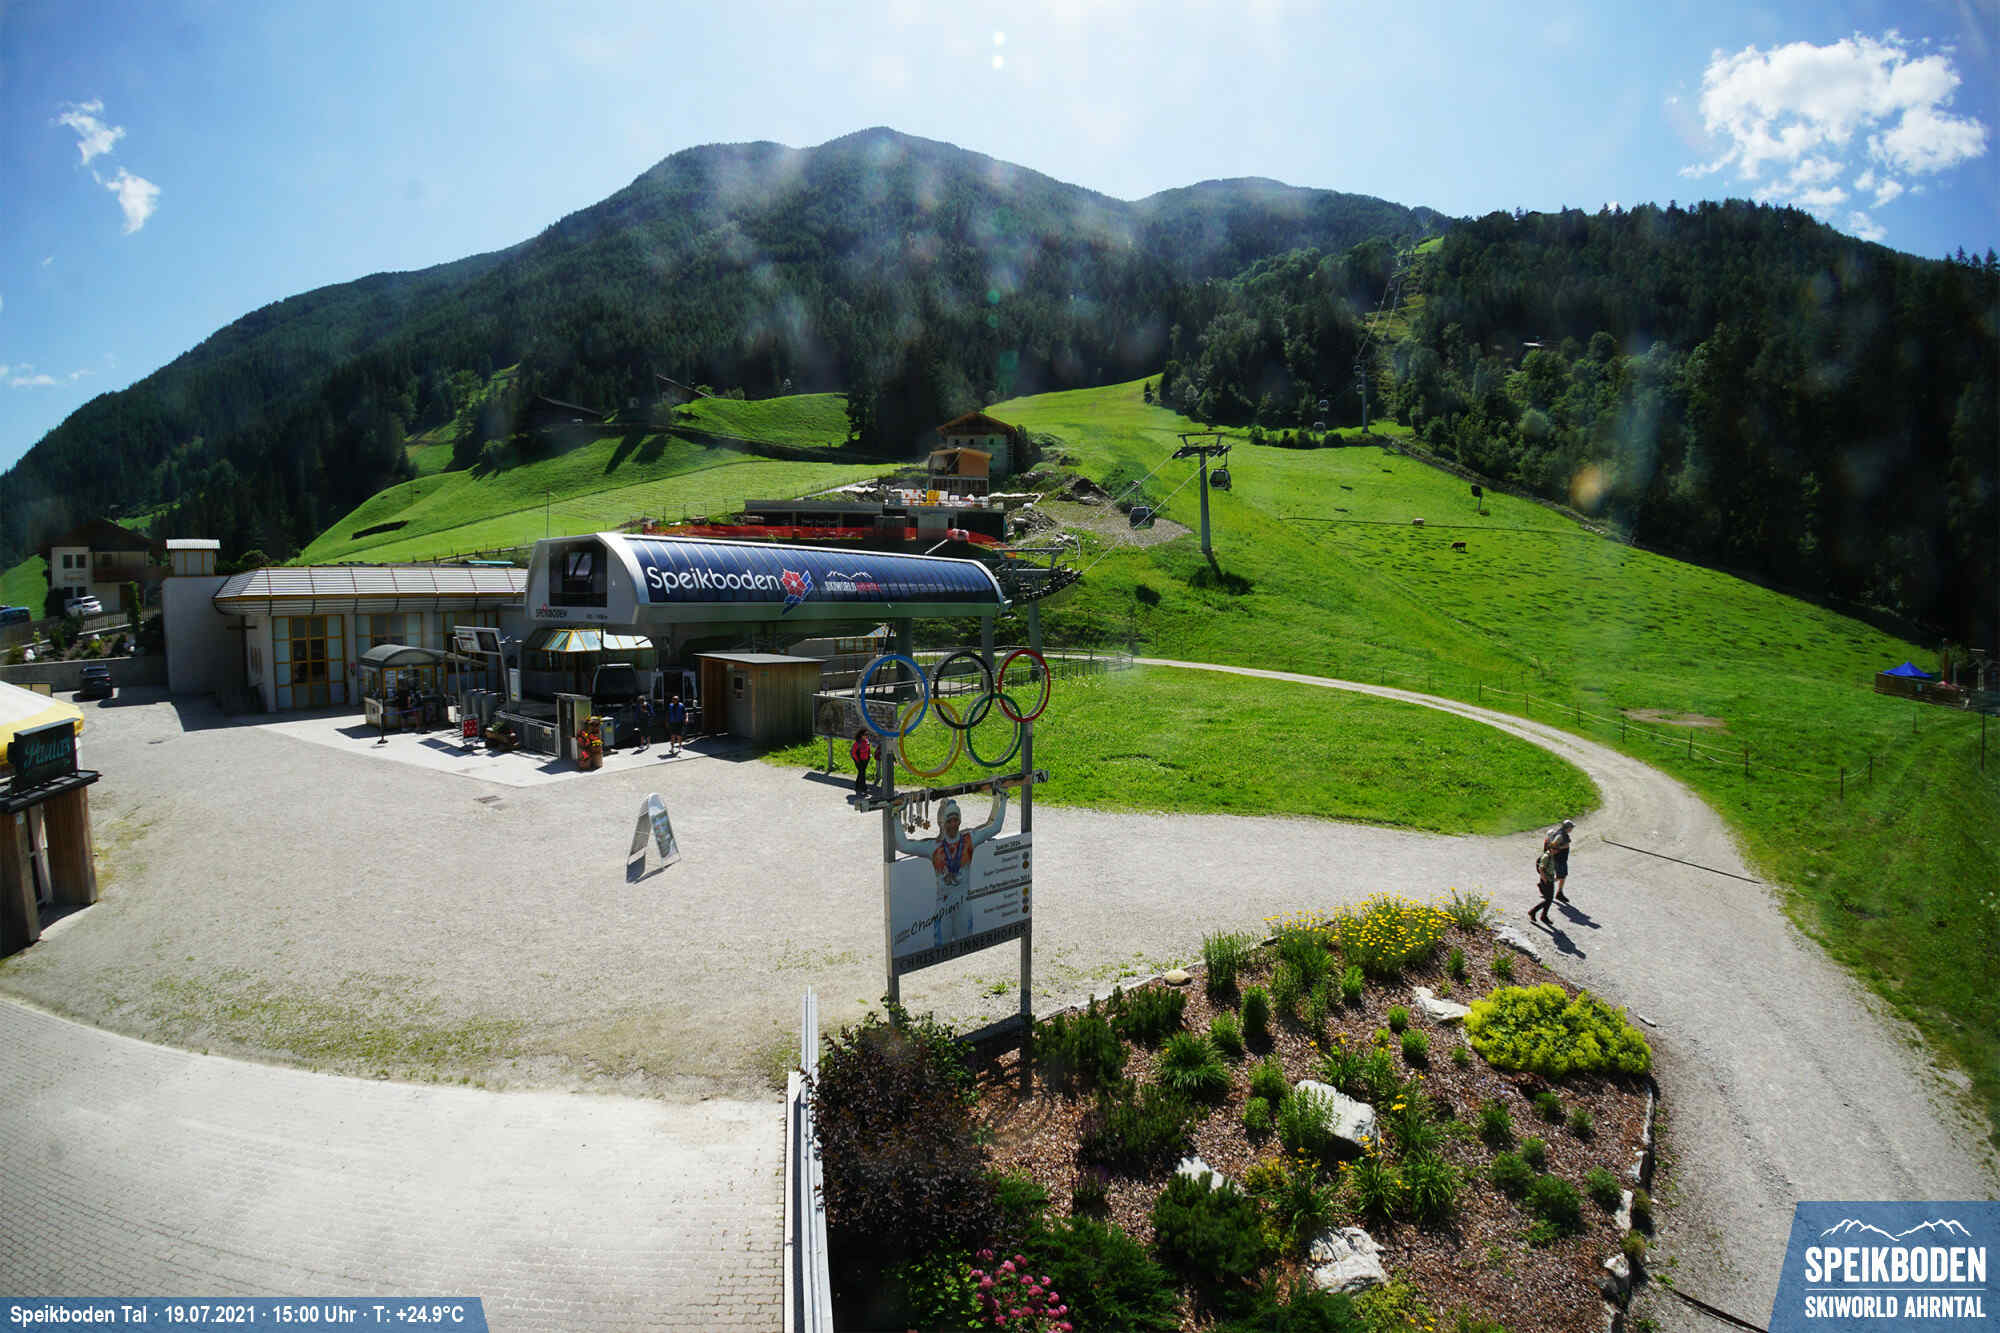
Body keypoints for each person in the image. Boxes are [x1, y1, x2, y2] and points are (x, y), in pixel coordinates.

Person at [894, 786, 1009, 949]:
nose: (953, 824)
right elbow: (903, 845)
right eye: (949, 821)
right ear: (941, 823)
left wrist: (1002, 800)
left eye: (956, 820)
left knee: (965, 945)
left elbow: (995, 827)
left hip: (964, 902)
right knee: (941, 947)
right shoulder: (933, 847)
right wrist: (895, 816)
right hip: (943, 905)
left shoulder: (969, 840)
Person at [1543, 818, 1575, 903]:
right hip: (1559, 860)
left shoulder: (1562, 833)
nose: (1572, 829)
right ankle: (1551, 889)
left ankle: (1555, 890)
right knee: (1561, 876)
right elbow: (1553, 845)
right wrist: (1562, 847)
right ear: (1567, 827)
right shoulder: (1561, 835)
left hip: (1561, 859)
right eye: (1571, 827)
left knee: (1562, 876)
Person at [1529, 846, 1557, 925]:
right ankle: (1533, 912)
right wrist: (1544, 879)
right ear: (1550, 848)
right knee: (1548, 899)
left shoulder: (1552, 856)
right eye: (1555, 849)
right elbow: (1541, 869)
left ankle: (1543, 916)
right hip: (1546, 880)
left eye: (1557, 849)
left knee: (1549, 899)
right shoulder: (1546, 856)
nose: (1556, 850)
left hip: (1550, 879)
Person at [850, 728, 873, 795]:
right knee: (862, 773)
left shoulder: (867, 742)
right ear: (861, 735)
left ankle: (857, 786)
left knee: (861, 773)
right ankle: (864, 788)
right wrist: (858, 761)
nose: (866, 736)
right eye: (865, 734)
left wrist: (869, 757)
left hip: (865, 760)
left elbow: (868, 750)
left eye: (867, 734)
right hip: (859, 760)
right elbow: (853, 753)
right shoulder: (857, 743)